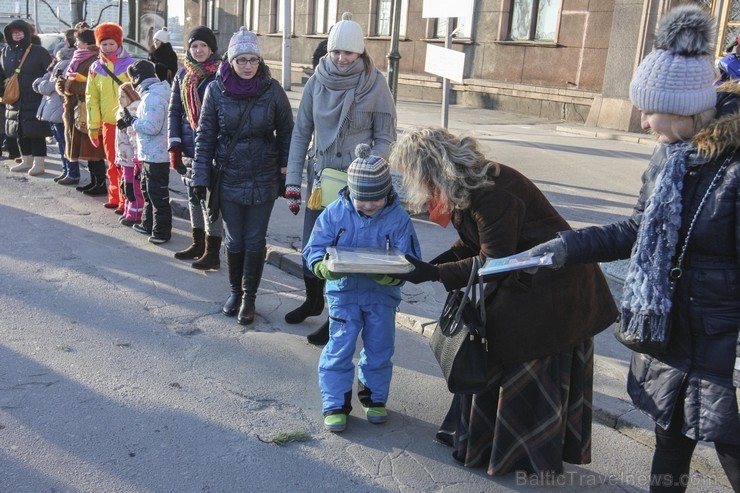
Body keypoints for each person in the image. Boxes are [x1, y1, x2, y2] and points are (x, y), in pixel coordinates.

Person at [530, 6, 740, 491]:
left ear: (686, 107)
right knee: (669, 435)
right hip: (669, 324)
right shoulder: (669, 157)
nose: (643, 123)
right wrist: (566, 246)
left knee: (729, 443)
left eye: (649, 111)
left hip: (719, 336)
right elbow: (635, 231)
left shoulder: (733, 170)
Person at [388, 126, 617, 476]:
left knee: (504, 349)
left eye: (412, 174)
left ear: (429, 170)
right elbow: (473, 245)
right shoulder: (467, 187)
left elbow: (492, 262)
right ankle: (486, 442)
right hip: (529, 281)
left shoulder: (491, 192)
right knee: (490, 347)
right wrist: (429, 266)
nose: (410, 183)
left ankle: (517, 452)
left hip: (557, 289)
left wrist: (434, 275)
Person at [284, 12, 397, 345]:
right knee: (314, 246)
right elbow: (301, 132)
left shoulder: (376, 85)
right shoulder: (317, 81)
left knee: (343, 253)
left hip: (356, 184)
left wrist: (368, 169)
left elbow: (386, 136)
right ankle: (313, 299)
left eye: (348, 52)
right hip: (320, 181)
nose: (341, 58)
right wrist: (293, 181)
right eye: (336, 51)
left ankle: (336, 317)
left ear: (360, 53)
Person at [304, 144, 420, 433]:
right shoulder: (334, 213)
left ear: (387, 192)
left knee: (380, 348)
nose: (369, 205)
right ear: (350, 192)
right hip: (343, 293)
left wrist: (393, 276)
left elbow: (413, 261)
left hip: (382, 297)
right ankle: (335, 403)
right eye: (362, 200)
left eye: (376, 199)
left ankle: (374, 398)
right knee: (340, 348)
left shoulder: (399, 219)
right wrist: (322, 267)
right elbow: (314, 248)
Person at [192, 27, 293, 325]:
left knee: (254, 238)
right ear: (231, 61)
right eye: (241, 60)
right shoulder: (214, 89)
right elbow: (205, 135)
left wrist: (288, 172)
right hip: (228, 175)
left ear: (259, 61)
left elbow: (288, 131)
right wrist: (199, 177)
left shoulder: (272, 89)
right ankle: (235, 291)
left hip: (264, 174)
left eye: (253, 60)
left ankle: (250, 296)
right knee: (234, 239)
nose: (248, 65)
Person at [169, 26, 223, 270]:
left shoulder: (222, 74)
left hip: (211, 149)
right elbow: (174, 112)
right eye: (194, 46)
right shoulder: (183, 75)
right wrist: (174, 145)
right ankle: (197, 243)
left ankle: (212, 251)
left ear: (211, 49)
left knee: (209, 200)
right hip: (189, 148)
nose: (199, 50)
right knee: (192, 196)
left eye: (203, 46)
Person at [119, 60, 172, 244]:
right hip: (151, 152)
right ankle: (148, 223)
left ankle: (161, 231)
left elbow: (152, 127)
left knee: (157, 194)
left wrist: (132, 121)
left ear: (137, 77)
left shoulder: (153, 97)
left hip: (156, 154)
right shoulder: (154, 93)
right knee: (148, 191)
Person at [87, 22, 135, 212]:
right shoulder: (95, 68)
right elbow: (91, 98)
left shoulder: (131, 65)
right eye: (104, 44)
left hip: (128, 123)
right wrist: (93, 126)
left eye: (111, 44)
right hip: (108, 124)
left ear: (119, 43)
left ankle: (127, 201)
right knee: (112, 163)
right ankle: (114, 196)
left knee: (127, 164)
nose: (108, 48)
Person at [58, 23, 108, 194]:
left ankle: (100, 183)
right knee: (85, 150)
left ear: (86, 43)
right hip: (76, 107)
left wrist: (69, 85)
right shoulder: (78, 57)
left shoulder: (94, 59)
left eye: (78, 41)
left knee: (94, 149)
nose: (76, 44)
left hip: (88, 109)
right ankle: (95, 180)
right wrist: (63, 84)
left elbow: (93, 85)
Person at [0, 19, 52, 175]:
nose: (17, 35)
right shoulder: (6, 51)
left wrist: (42, 88)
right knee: (19, 131)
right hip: (14, 98)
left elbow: (49, 72)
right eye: (14, 33)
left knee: (36, 132)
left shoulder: (38, 51)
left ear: (26, 33)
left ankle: (39, 162)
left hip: (34, 97)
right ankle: (26, 160)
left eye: (20, 32)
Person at [34, 38, 73, 183]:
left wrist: (40, 83)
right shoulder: (61, 62)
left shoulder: (63, 63)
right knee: (62, 142)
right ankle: (67, 170)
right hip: (55, 107)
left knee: (64, 142)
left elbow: (48, 86)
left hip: (58, 107)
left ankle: (70, 171)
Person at [115, 82, 144, 227]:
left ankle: (135, 214)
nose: (119, 99)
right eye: (119, 96)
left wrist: (137, 159)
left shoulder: (131, 113)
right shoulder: (123, 112)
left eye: (123, 96)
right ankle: (129, 210)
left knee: (133, 188)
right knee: (126, 187)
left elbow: (134, 139)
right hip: (125, 158)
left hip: (132, 160)